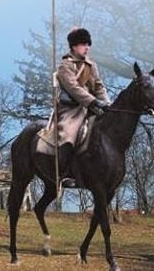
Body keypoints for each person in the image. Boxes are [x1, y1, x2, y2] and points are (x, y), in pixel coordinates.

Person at [56, 28, 110, 188]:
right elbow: (74, 89)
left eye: (88, 44)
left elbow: (98, 86)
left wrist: (106, 103)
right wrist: (94, 102)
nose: (87, 47)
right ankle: (64, 174)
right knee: (69, 134)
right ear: (74, 46)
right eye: (83, 44)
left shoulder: (91, 65)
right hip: (71, 109)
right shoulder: (65, 66)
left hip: (92, 107)